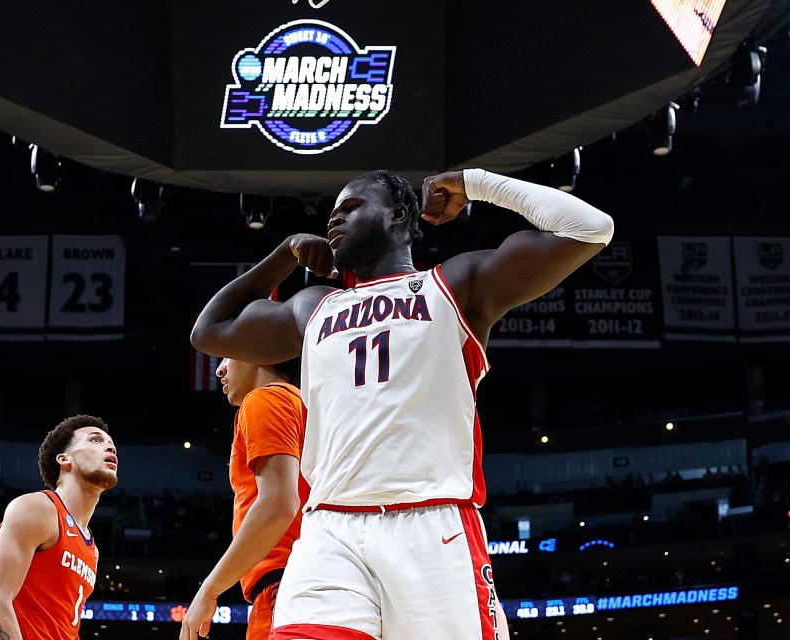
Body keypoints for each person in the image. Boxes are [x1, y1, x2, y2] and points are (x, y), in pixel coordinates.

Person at [191, 168, 614, 639]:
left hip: (432, 525)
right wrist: (283, 256)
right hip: (330, 531)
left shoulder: (456, 285)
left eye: (350, 208)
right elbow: (207, 332)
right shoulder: (314, 306)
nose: (334, 219)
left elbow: (589, 227)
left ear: (397, 215)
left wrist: (475, 184)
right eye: (333, 212)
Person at [180, 357, 305, 640]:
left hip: (283, 583)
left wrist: (209, 590)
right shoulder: (305, 403)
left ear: (256, 350)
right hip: (308, 579)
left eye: (227, 355)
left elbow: (277, 505)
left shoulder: (266, 397)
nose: (219, 369)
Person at [0, 415, 118, 640]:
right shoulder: (37, 508)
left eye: (111, 444)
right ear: (64, 458)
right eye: (95, 440)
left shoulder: (93, 549)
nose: (110, 447)